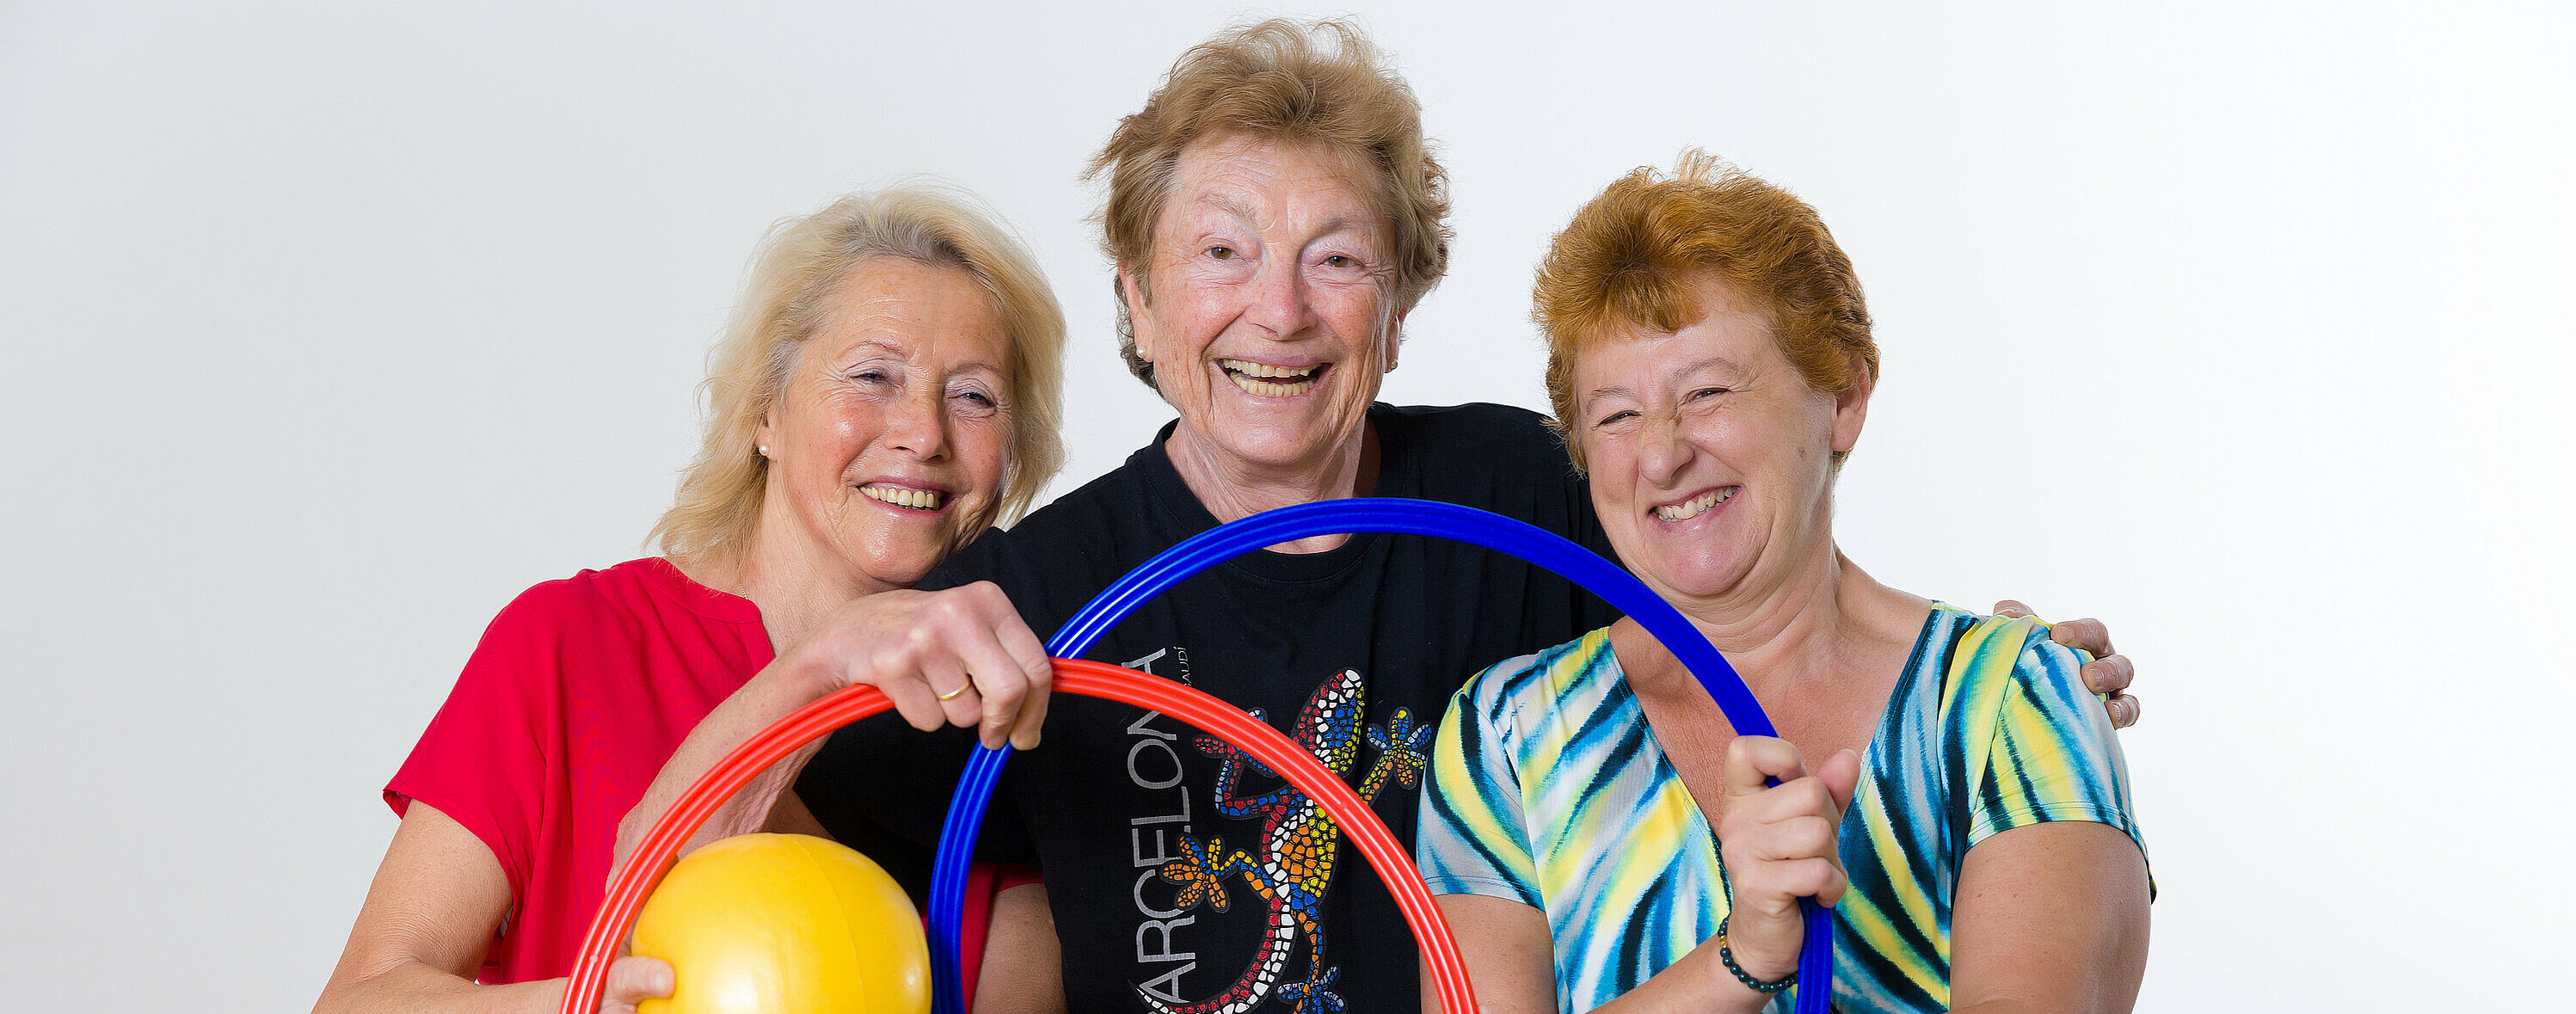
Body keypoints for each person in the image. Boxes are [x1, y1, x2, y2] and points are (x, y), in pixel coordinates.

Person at [622, 20, 2140, 1014]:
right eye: (1221, 251)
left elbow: (1738, 555)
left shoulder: (1516, 491)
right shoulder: (1036, 590)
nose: (1278, 311)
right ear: (1139, 303)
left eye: (1337, 259)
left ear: (1399, 309)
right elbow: (666, 871)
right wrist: (824, 662)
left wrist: (1980, 676)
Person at [1415, 154, 2152, 1014]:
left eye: (1706, 391)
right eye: (1615, 414)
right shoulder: (1506, 736)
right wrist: (1742, 959)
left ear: (1843, 397)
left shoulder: (2013, 701)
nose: (1660, 454)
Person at [313, 183, 1068, 1014]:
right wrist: (569, 1006)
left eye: (973, 395)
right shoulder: (572, 643)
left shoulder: (1016, 713)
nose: (923, 434)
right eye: (872, 376)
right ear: (764, 412)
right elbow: (359, 1002)